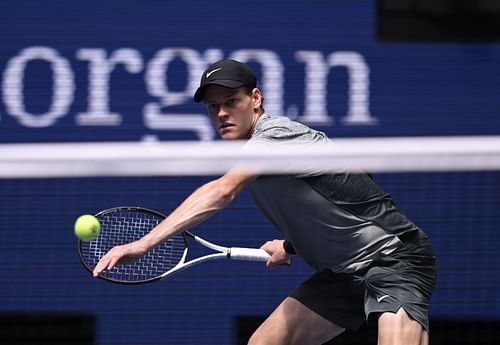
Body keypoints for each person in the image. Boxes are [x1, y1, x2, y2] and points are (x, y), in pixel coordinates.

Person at [93, 59, 437, 345]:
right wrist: (291, 247)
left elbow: (221, 191)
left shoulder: (276, 136)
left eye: (232, 101)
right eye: (214, 106)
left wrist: (145, 243)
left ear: (255, 98)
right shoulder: (254, 154)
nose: (222, 113)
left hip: (394, 260)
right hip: (342, 274)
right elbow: (337, 210)